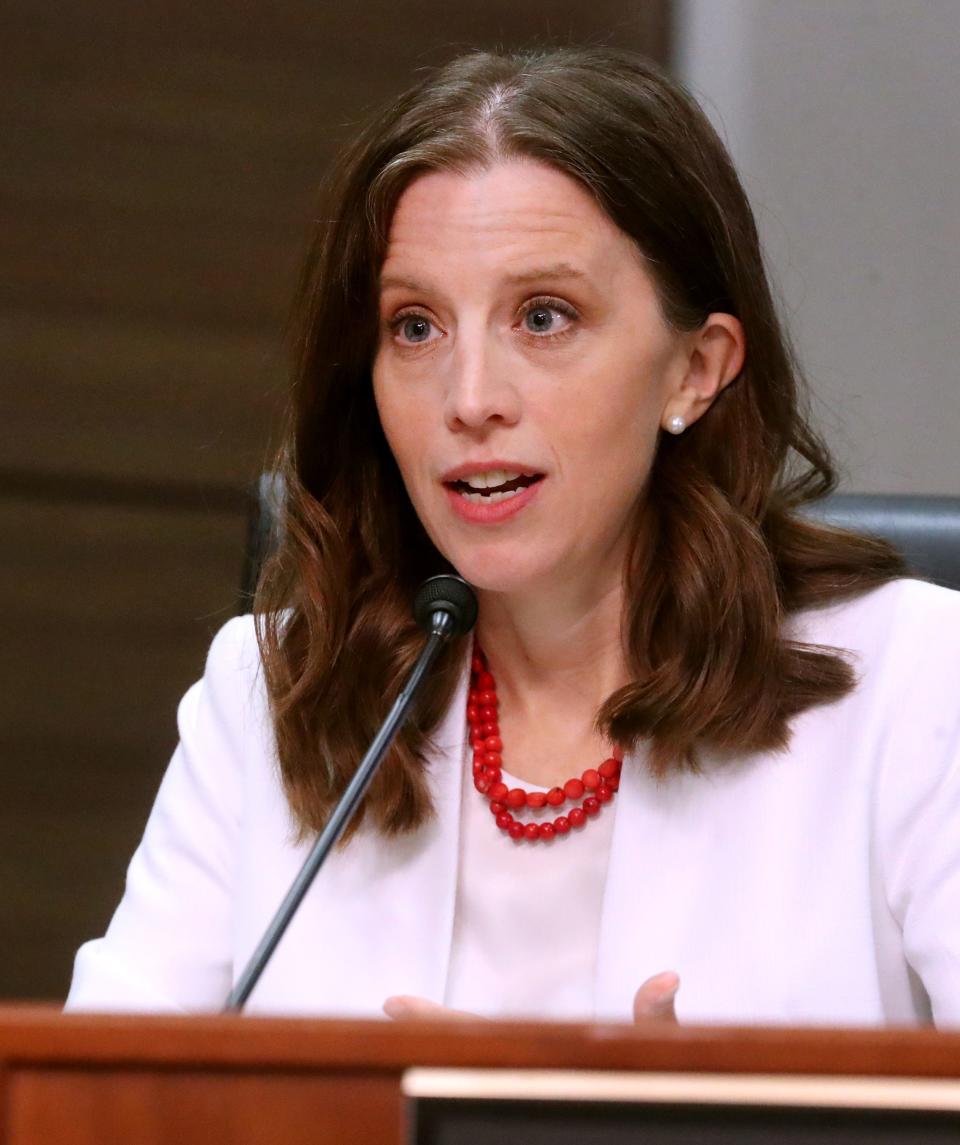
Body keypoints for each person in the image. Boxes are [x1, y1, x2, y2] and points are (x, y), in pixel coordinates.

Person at [66, 47, 960, 1026]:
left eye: (544, 316)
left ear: (695, 370)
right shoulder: (275, 692)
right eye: (415, 327)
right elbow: (102, 1095)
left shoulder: (916, 684)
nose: (471, 398)